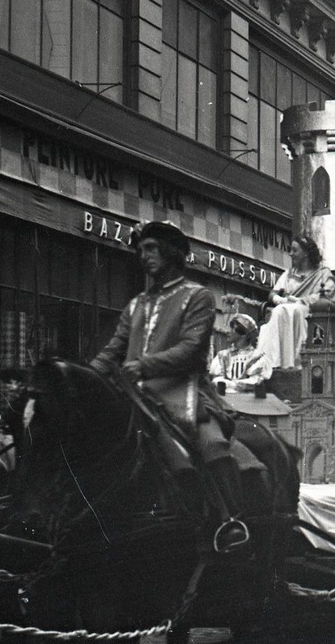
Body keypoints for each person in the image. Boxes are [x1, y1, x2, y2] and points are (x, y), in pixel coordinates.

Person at [90, 220, 261, 517]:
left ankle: (232, 521)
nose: (144, 256)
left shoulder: (198, 296)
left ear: (171, 252)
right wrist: (87, 376)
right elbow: (113, 350)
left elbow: (190, 350)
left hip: (183, 394)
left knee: (214, 447)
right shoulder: (136, 305)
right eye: (141, 250)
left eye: (151, 248)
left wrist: (143, 366)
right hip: (132, 394)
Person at [256, 234, 335, 371]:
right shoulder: (288, 274)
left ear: (306, 253)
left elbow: (330, 294)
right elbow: (273, 294)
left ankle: (297, 361)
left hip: (312, 312)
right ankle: (276, 361)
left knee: (293, 310)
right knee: (281, 310)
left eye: (295, 250)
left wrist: (301, 300)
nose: (291, 254)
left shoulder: (323, 274)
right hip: (286, 309)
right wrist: (281, 300)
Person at [209, 314, 270, 395]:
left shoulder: (256, 357)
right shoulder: (222, 356)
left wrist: (232, 384)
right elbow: (217, 380)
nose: (228, 331)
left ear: (243, 334)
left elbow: (255, 381)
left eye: (232, 329)